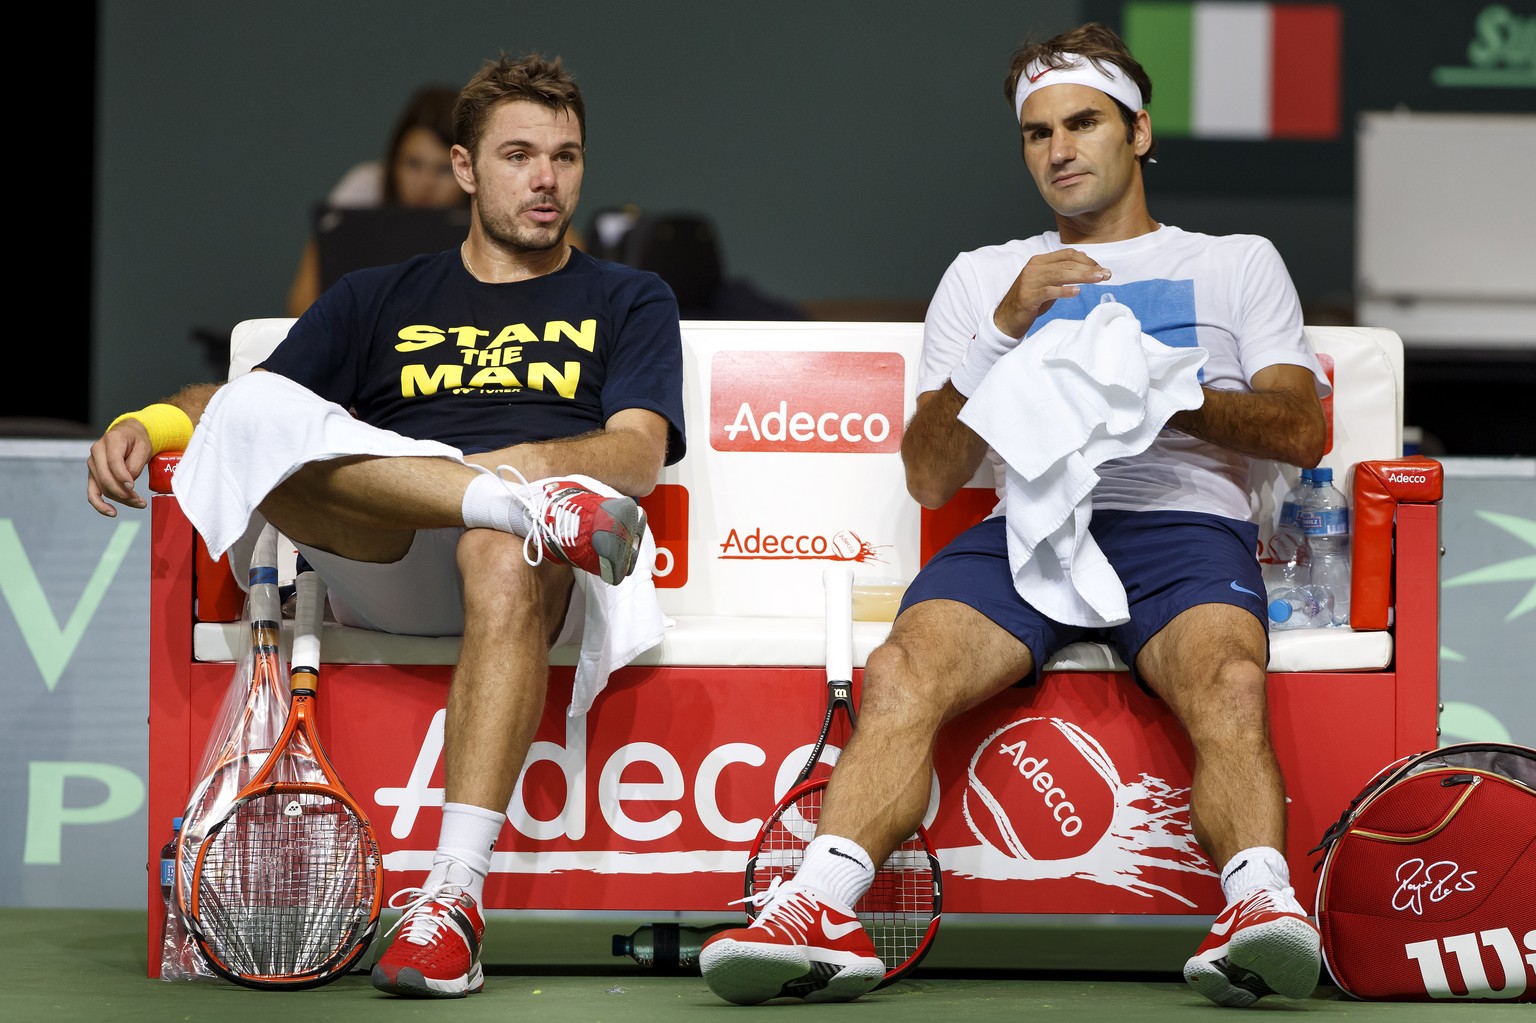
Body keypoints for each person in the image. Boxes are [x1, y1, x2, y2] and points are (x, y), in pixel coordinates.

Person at [698, 21, 1329, 1009]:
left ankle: (1256, 905)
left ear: (1140, 131)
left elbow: (1301, 428)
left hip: (1180, 524)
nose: (1060, 149)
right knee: (902, 667)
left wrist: (1160, 390)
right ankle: (818, 907)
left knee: (1230, 680)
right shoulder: (985, 276)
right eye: (1037, 134)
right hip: (1026, 526)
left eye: (1082, 123)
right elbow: (932, 475)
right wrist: (1002, 330)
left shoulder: (1233, 261)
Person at [88, 52, 686, 999]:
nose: (546, 179)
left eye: (566, 157)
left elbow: (638, 456)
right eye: (520, 155)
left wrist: (509, 480)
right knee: (257, 417)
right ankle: (489, 502)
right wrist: (147, 423)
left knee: (497, 543)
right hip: (390, 552)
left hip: (541, 565)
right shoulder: (379, 296)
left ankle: (450, 900)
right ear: (463, 168)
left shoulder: (626, 297)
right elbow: (246, 410)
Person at [286, 84, 468, 318]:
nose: (425, 183)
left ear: (467, 170)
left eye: (443, 169)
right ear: (394, 161)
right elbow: (302, 303)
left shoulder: (487, 208)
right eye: (413, 164)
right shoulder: (364, 188)